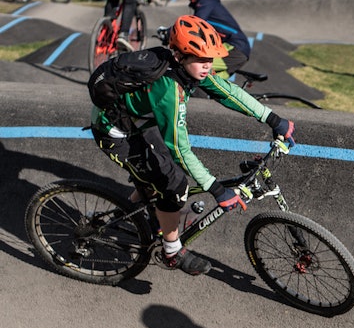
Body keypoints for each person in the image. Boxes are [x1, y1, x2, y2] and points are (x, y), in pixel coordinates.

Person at [90, 15, 296, 275]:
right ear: (178, 56)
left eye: (210, 59)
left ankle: (136, 212)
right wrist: (217, 189)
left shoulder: (189, 68)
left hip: (139, 121)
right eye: (200, 59)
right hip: (115, 131)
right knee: (175, 186)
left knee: (156, 182)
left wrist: (273, 119)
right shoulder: (168, 90)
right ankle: (172, 251)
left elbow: (227, 92)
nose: (207, 65)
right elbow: (179, 149)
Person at [182, 0, 252, 76]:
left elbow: (195, 24)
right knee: (212, 86)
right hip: (238, 50)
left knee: (192, 65)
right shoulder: (207, 2)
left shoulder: (206, 2)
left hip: (234, 48)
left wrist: (170, 32)